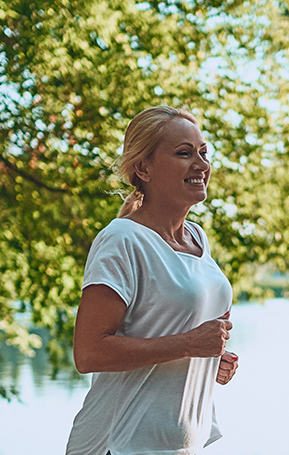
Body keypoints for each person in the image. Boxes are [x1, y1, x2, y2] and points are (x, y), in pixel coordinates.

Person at [65, 106, 241, 455]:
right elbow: (89, 353)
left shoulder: (198, 238)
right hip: (118, 444)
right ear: (143, 168)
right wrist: (190, 345)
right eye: (183, 153)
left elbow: (173, 333)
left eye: (204, 152)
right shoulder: (122, 240)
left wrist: (209, 362)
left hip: (179, 445)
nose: (201, 165)